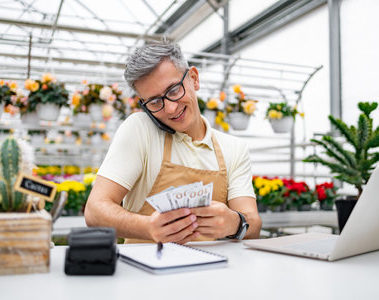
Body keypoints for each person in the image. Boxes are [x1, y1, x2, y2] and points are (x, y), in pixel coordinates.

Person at [85, 38, 261, 244]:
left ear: (194, 78)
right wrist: (148, 227)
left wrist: (235, 223)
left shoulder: (234, 148)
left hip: (214, 273)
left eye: (174, 90)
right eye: (155, 101)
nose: (170, 109)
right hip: (146, 272)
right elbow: (94, 211)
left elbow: (254, 224)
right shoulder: (140, 130)